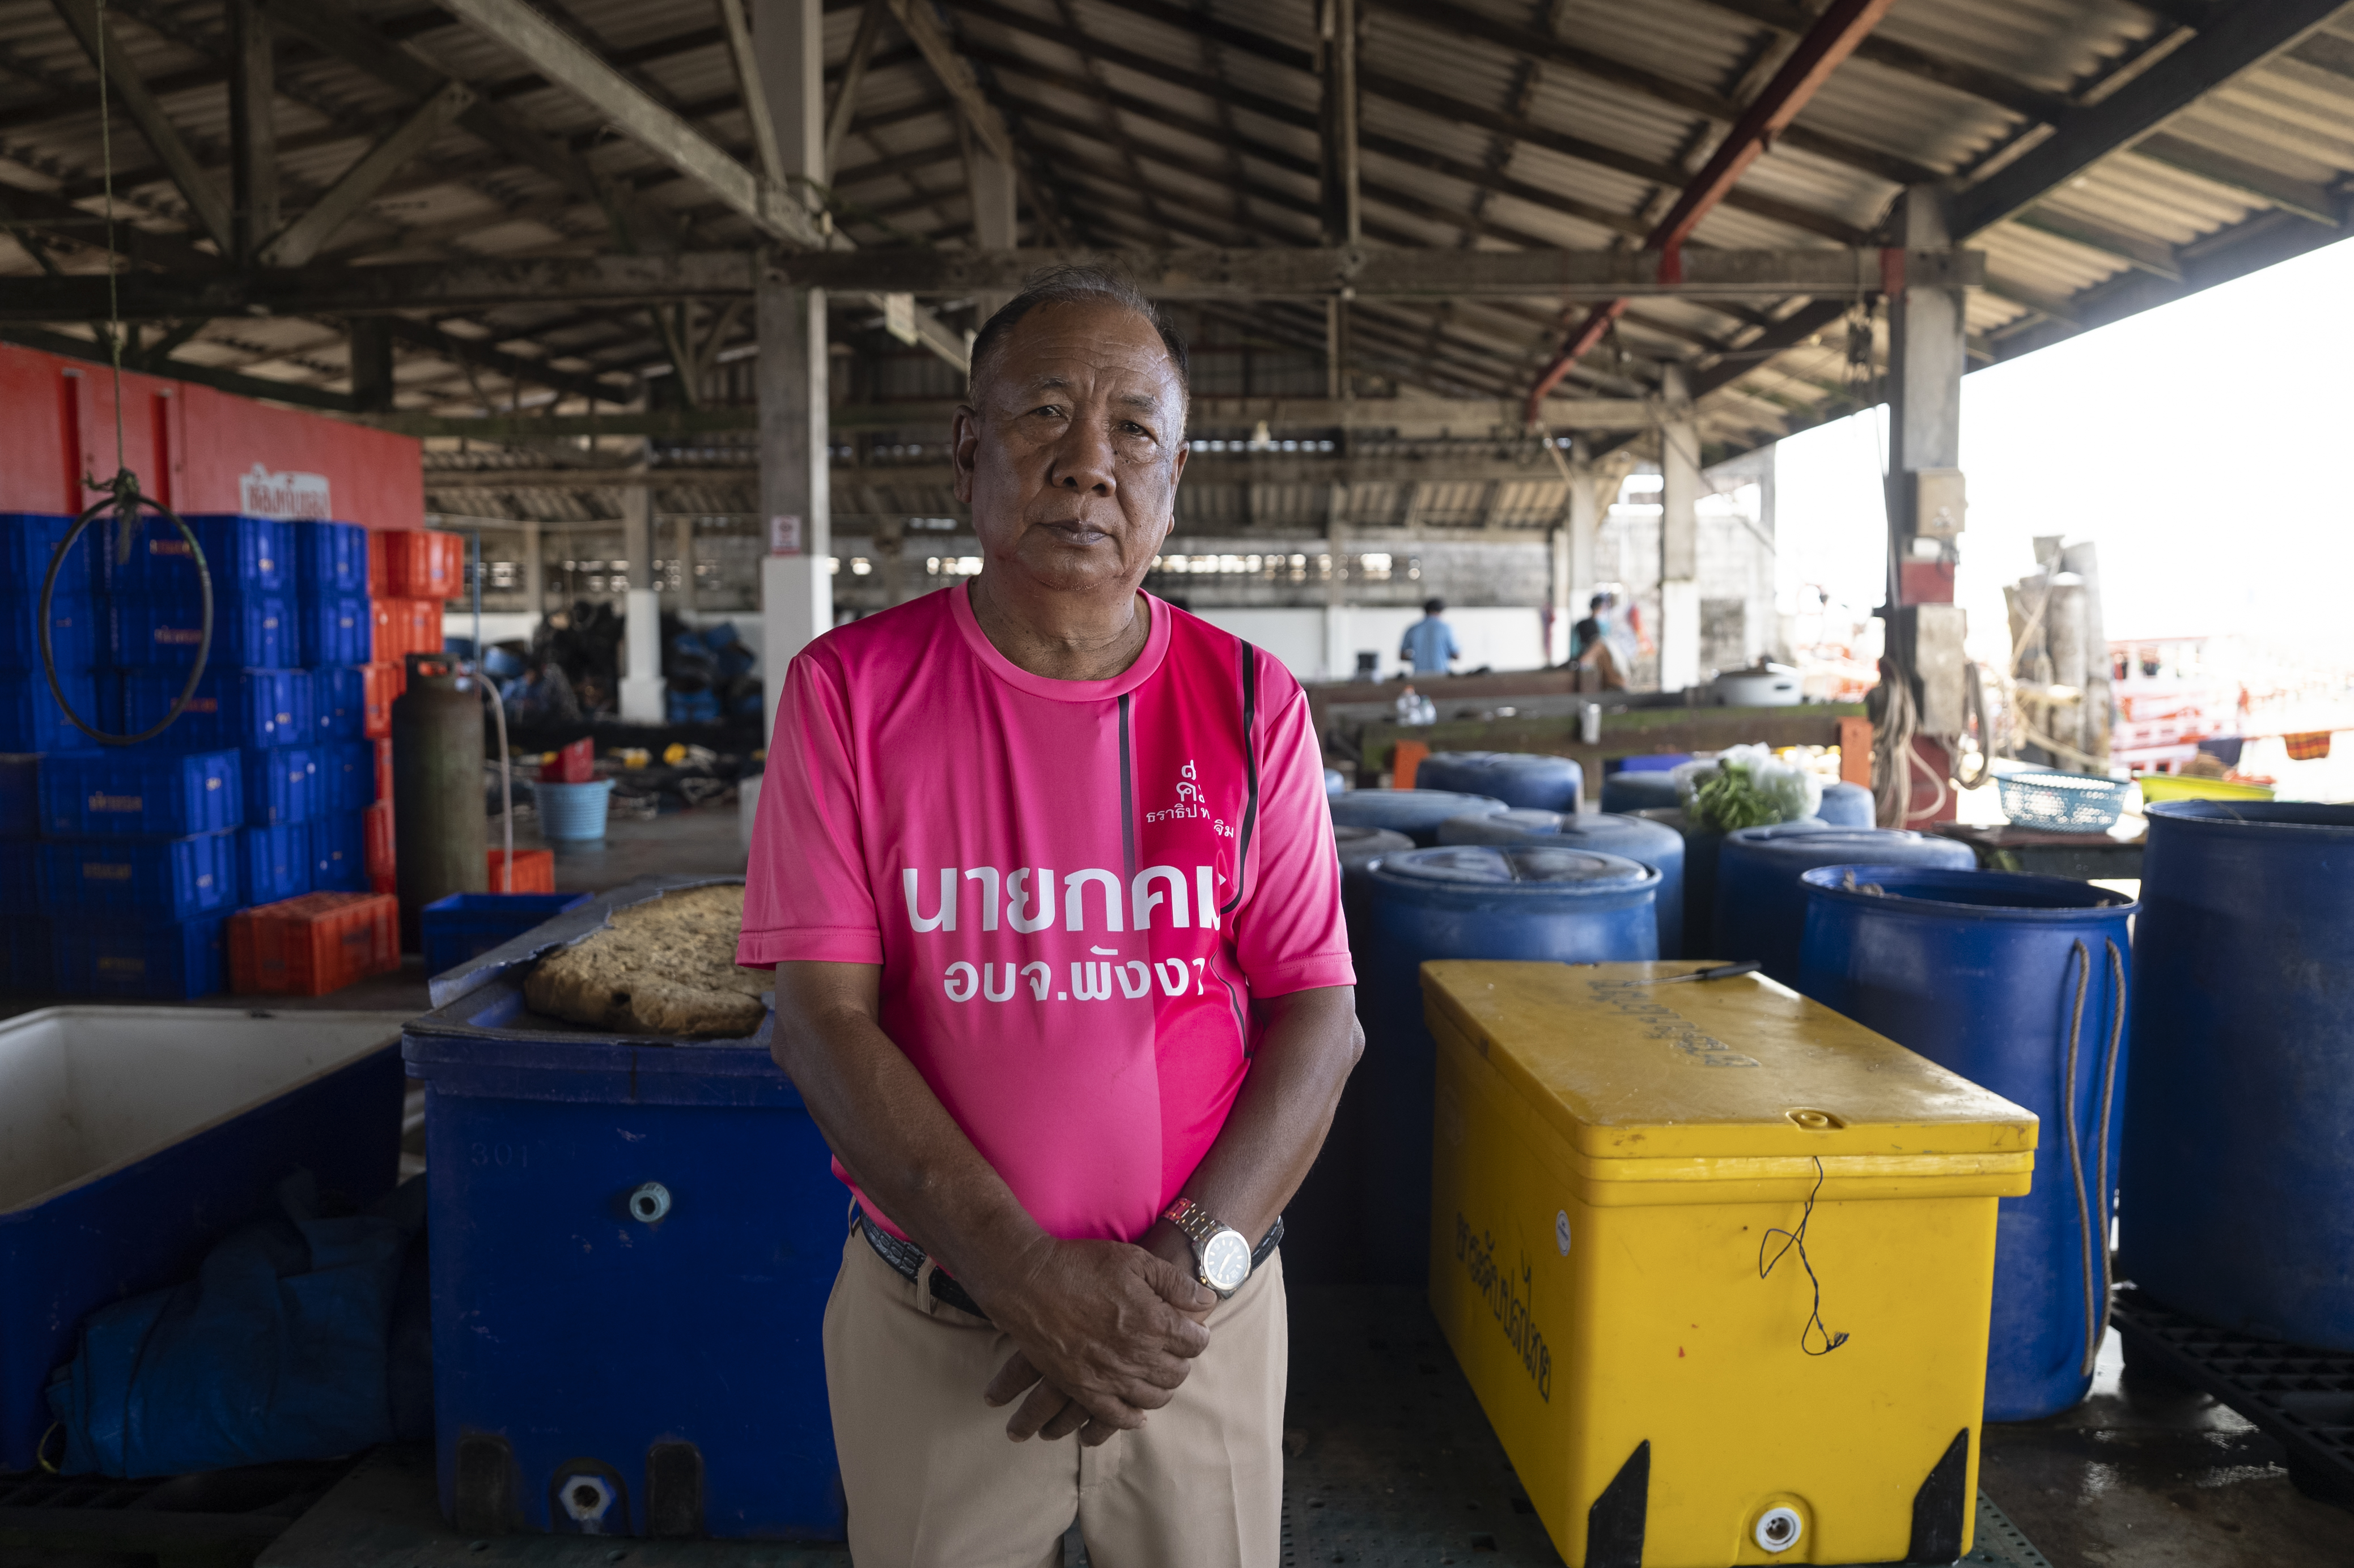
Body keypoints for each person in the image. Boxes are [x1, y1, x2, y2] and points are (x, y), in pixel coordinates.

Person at [740, 265, 1362, 1568]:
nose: (1088, 463)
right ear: (970, 448)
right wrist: (1022, 1273)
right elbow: (818, 1022)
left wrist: (1180, 1280)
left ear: (1171, 482)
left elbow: (1321, 1019)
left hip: (1199, 1327)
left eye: (1133, 430)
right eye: (1042, 417)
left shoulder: (1253, 704)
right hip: (942, 1326)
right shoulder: (847, 694)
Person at [1399, 597, 1459, 677]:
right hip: (1441, 674)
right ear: (1440, 611)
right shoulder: (1446, 628)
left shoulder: (1413, 629)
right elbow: (1456, 655)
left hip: (1419, 675)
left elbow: (1403, 656)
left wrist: (1419, 657)